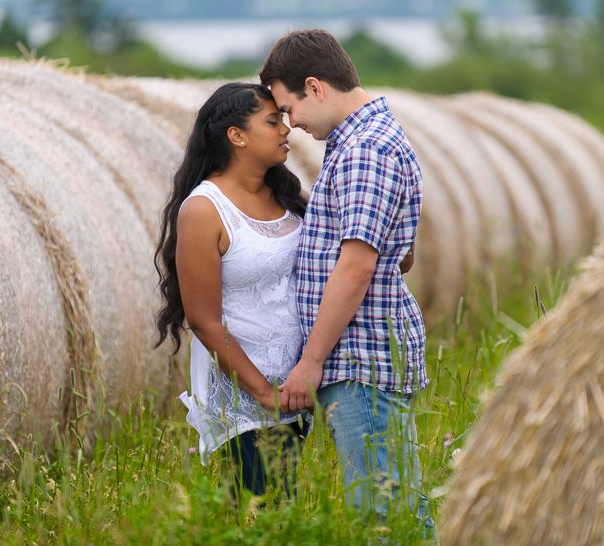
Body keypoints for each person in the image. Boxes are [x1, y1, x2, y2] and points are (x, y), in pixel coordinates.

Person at [260, 29, 433, 532]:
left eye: (289, 109)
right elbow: (389, 251)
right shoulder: (360, 142)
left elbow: (356, 266)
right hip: (360, 356)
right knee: (393, 505)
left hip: (360, 359)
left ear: (315, 87)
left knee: (384, 514)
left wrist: (310, 362)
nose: (291, 125)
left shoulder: (365, 151)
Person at [154, 82, 308, 496]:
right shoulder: (205, 209)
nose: (285, 130)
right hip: (246, 397)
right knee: (259, 517)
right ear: (236, 136)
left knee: (290, 514)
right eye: (272, 121)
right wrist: (262, 392)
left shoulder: (289, 198)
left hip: (298, 388)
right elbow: (203, 319)